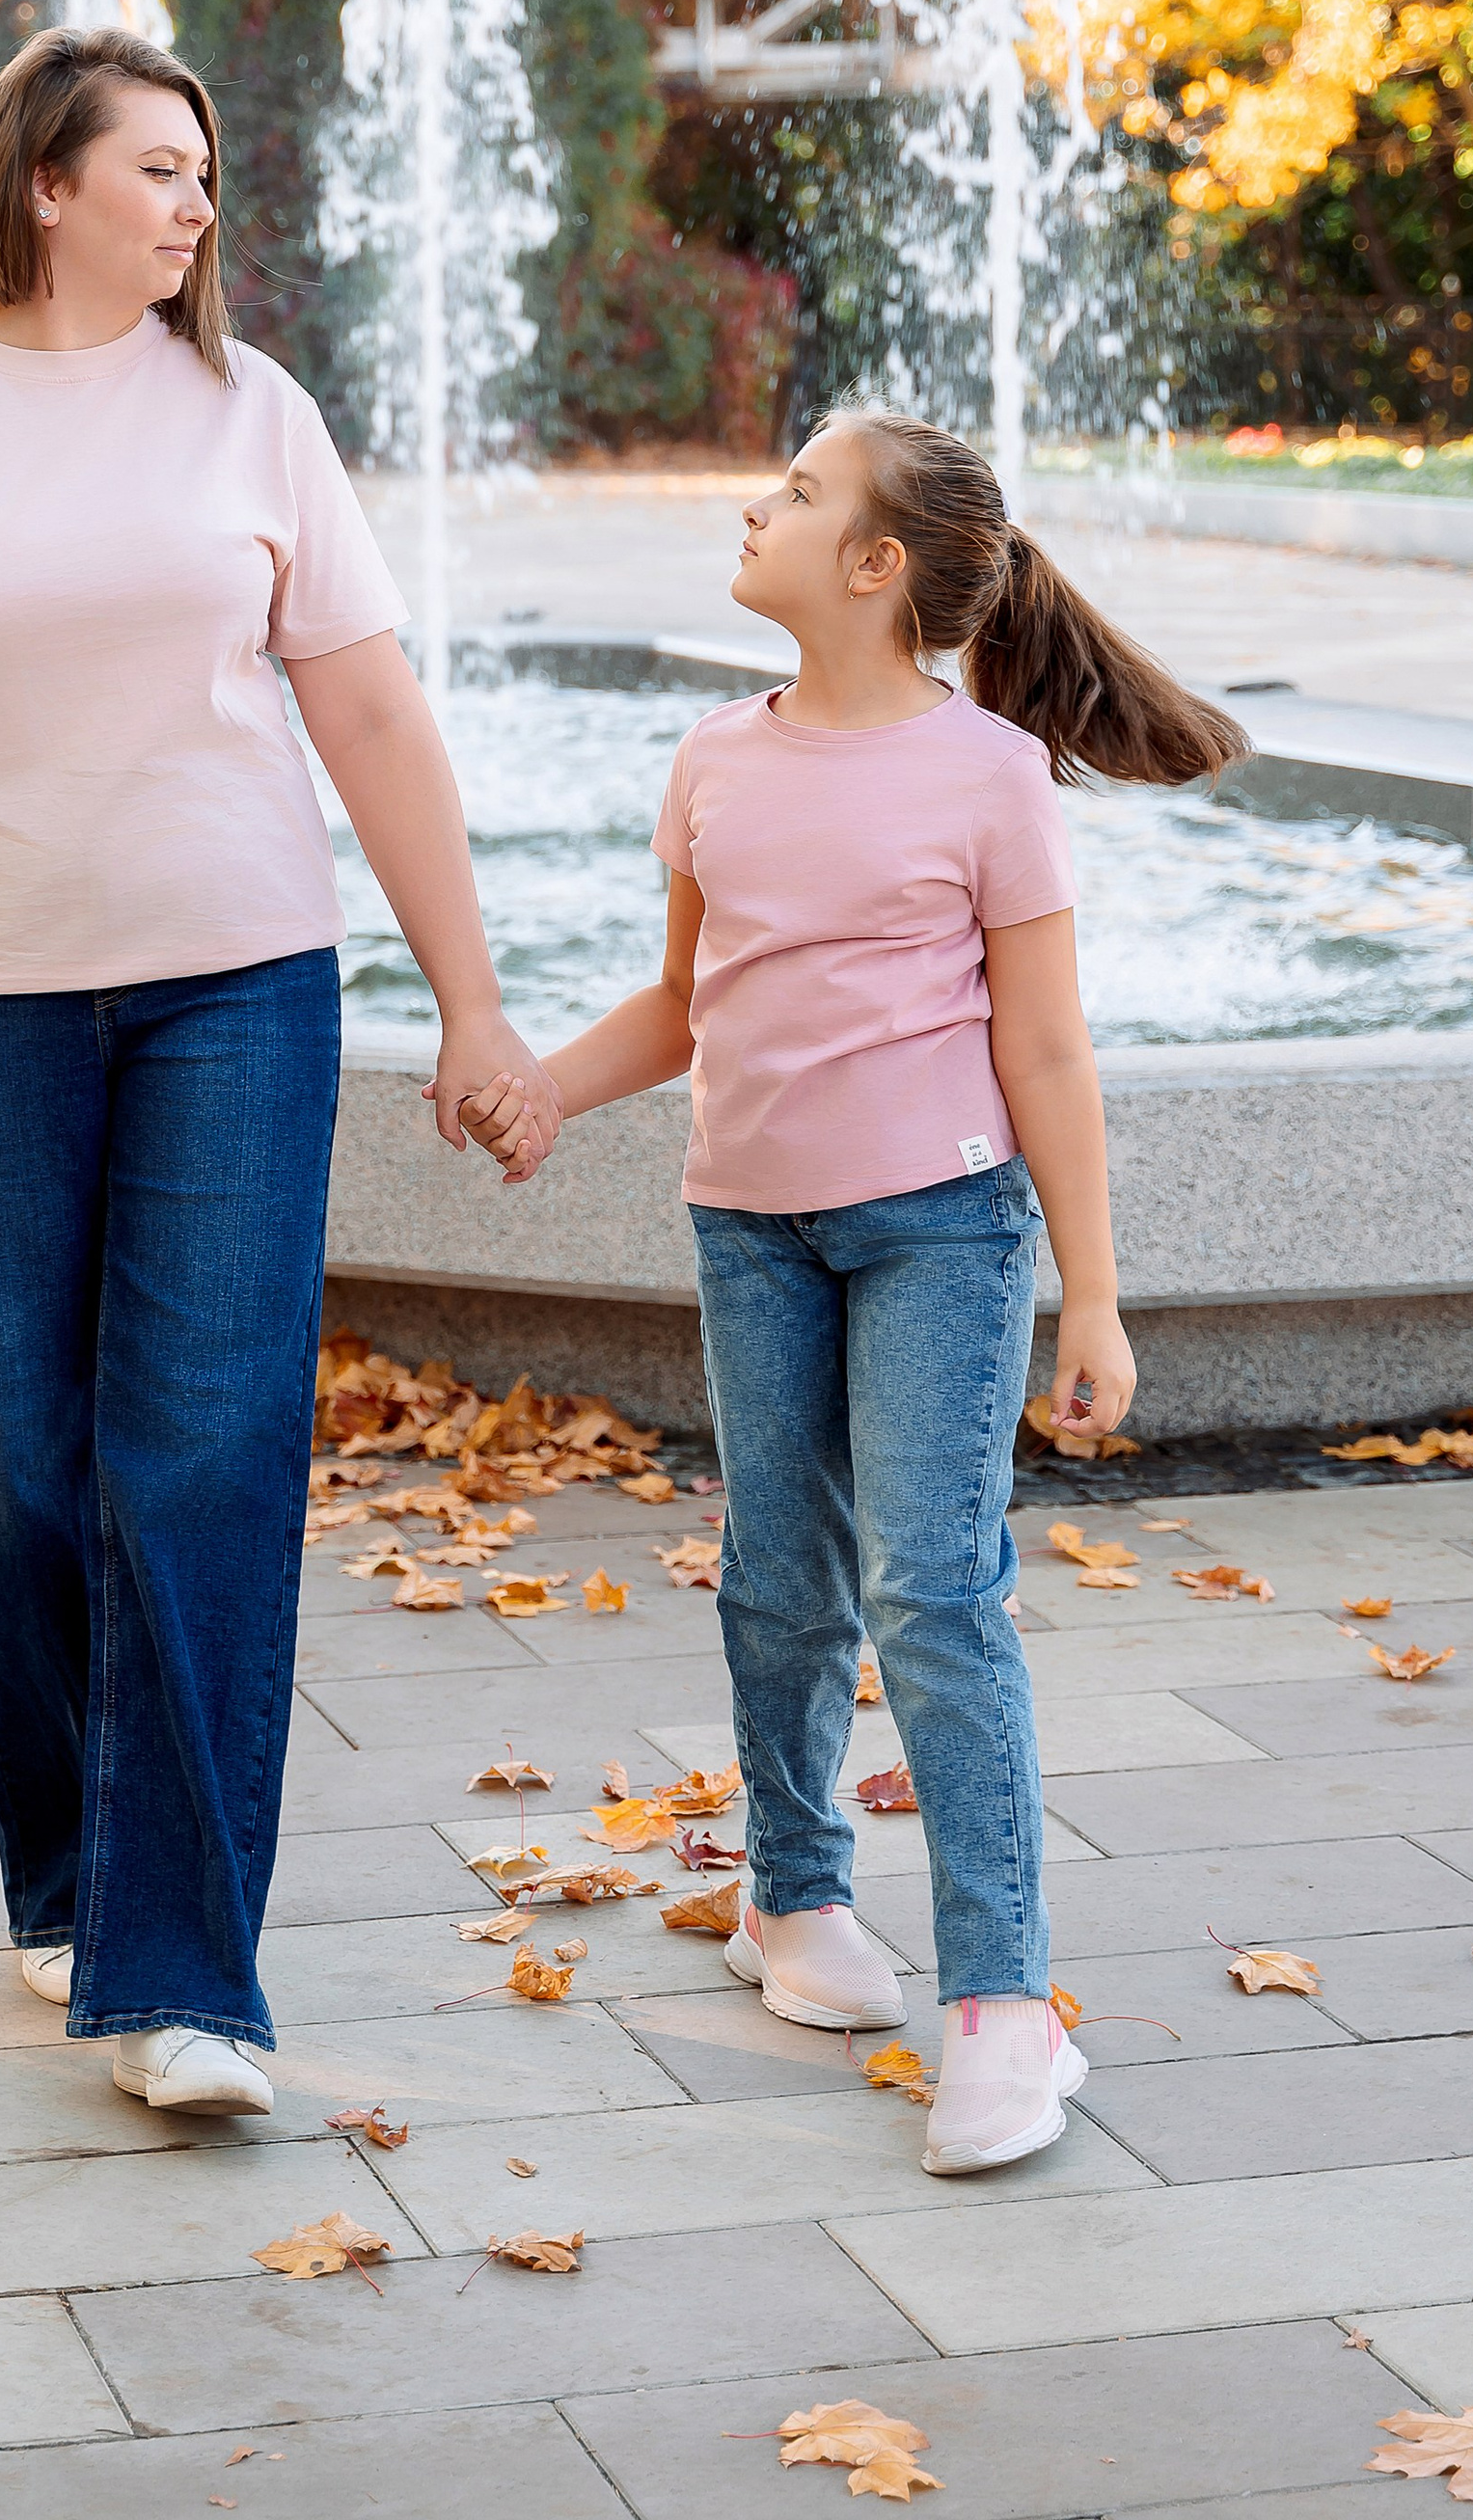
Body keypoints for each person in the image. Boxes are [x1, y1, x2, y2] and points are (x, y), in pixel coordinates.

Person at [0, 24, 561, 2121]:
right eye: (160, 168)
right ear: (47, 183)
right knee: (23, 1464)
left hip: (238, 992)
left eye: (205, 172)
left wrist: (471, 1004)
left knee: (200, 1454)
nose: (198, 203)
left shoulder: (251, 414)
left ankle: (183, 1976)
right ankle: (68, 1876)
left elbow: (369, 717)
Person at [465, 408, 1244, 2174]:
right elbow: (687, 1004)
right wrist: (547, 1091)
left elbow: (1046, 1049)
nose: (760, 505)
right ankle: (793, 1894)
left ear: (879, 566)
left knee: (932, 1591)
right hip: (750, 1228)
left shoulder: (991, 775)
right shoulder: (713, 758)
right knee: (779, 1578)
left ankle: (1006, 2006)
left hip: (941, 1233)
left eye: (802, 493)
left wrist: (1095, 1296)